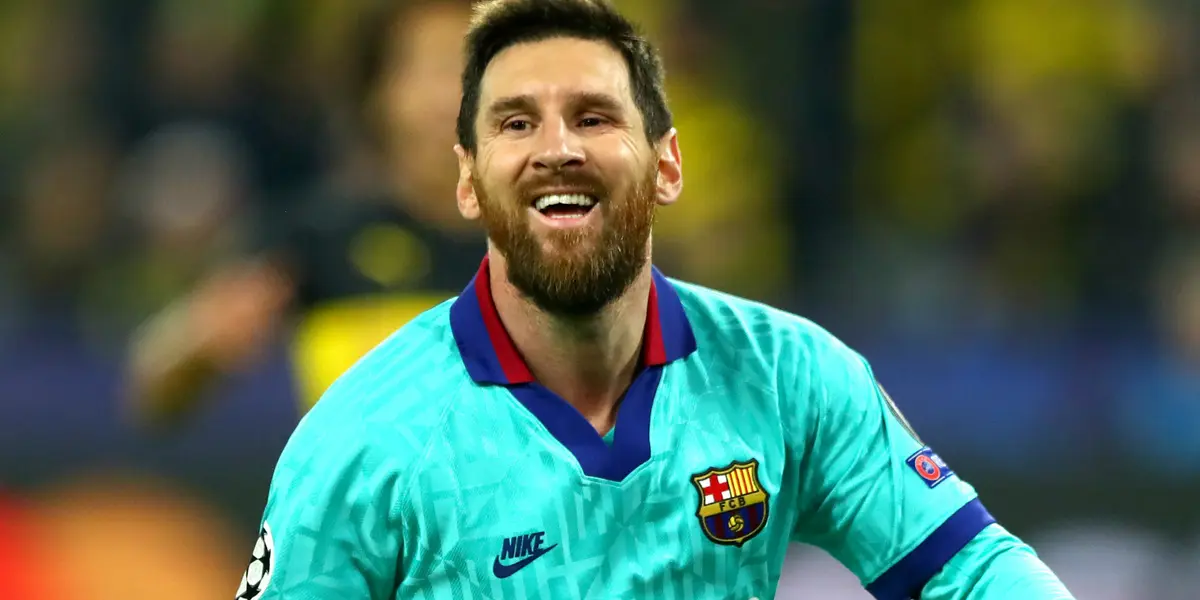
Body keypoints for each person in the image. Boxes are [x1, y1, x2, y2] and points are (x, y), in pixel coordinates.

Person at [237, 0, 1075, 598]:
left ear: (667, 164)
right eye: (517, 123)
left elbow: (968, 568)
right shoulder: (361, 440)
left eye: (594, 117)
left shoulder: (787, 376)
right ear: (468, 179)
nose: (557, 149)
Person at [126, 0, 485, 426]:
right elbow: (151, 386)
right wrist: (202, 345)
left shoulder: (545, 239)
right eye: (427, 68)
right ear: (375, 92)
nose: (447, 97)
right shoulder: (318, 239)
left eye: (469, 71)